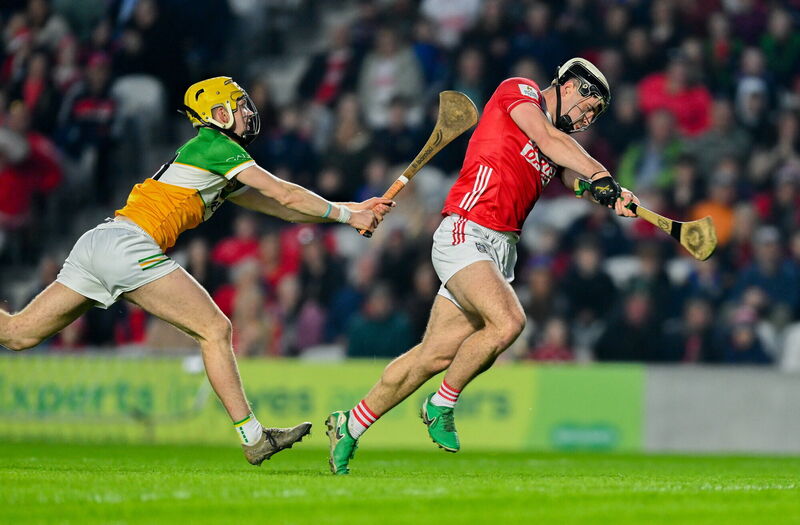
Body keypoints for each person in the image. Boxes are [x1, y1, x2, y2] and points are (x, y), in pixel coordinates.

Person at [0, 76, 393, 466]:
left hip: (101, 241)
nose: (246, 112)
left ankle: (254, 437)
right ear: (217, 115)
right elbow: (284, 192)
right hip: (129, 245)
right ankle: (254, 439)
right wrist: (347, 213)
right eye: (238, 105)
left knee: (17, 334)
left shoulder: (217, 159)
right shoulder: (216, 146)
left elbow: (285, 209)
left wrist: (353, 212)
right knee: (215, 329)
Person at [325, 58, 639, 474]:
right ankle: (441, 404)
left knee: (433, 356)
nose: (585, 117)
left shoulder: (557, 143)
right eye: (587, 104)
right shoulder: (520, 91)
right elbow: (548, 139)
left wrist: (607, 194)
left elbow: (568, 175)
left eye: (593, 114)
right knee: (508, 322)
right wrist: (602, 173)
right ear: (566, 84)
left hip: (501, 248)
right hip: (466, 230)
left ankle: (350, 424)